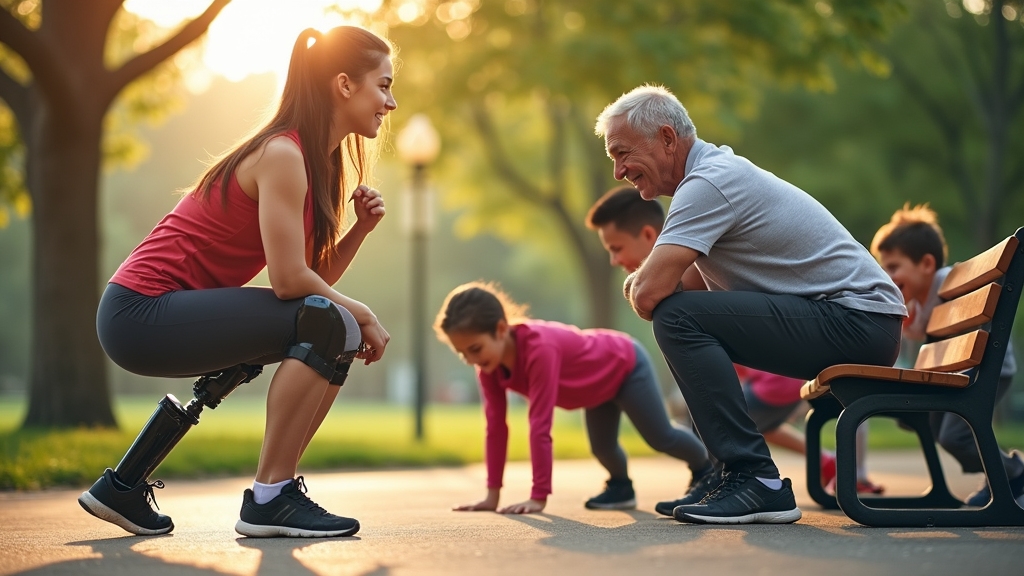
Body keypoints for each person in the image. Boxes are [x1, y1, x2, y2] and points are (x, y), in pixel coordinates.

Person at [77, 26, 396, 538]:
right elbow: (293, 284)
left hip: (163, 312)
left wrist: (360, 230)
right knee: (331, 321)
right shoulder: (283, 154)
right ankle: (271, 498)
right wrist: (364, 312)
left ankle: (125, 487)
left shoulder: (313, 162)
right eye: (383, 85)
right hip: (139, 312)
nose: (391, 101)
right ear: (343, 84)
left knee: (330, 324)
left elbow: (308, 278)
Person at [594, 85, 907, 525]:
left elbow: (651, 296)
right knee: (681, 313)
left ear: (667, 138)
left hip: (857, 320)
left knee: (675, 317)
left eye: (622, 153)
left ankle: (754, 478)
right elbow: (686, 286)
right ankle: (728, 473)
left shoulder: (706, 184)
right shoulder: (712, 177)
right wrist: (651, 281)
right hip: (858, 322)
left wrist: (638, 282)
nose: (618, 171)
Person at [585, 187, 885, 510]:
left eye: (616, 248)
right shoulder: (695, 257)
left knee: (708, 413)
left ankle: (745, 479)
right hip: (780, 368)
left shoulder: (695, 261)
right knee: (718, 416)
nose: (614, 260)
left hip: (782, 373)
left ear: (647, 234)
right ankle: (728, 478)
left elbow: (670, 309)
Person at [435, 281, 713, 514]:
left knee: (660, 436)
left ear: (500, 329)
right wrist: (491, 497)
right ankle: (621, 487)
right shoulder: (488, 367)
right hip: (594, 390)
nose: (471, 360)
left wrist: (538, 497)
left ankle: (708, 468)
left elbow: (540, 425)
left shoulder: (539, 349)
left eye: (475, 348)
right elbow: (495, 428)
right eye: (463, 354)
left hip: (624, 364)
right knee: (602, 448)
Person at [872, 204, 1023, 506]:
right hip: (963, 371)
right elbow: (920, 333)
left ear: (926, 264)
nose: (888, 277)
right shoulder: (925, 299)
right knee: (941, 430)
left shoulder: (946, 281)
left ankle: (1013, 475)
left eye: (893, 267)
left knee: (956, 436)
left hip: (987, 367)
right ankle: (1001, 479)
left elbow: (971, 318)